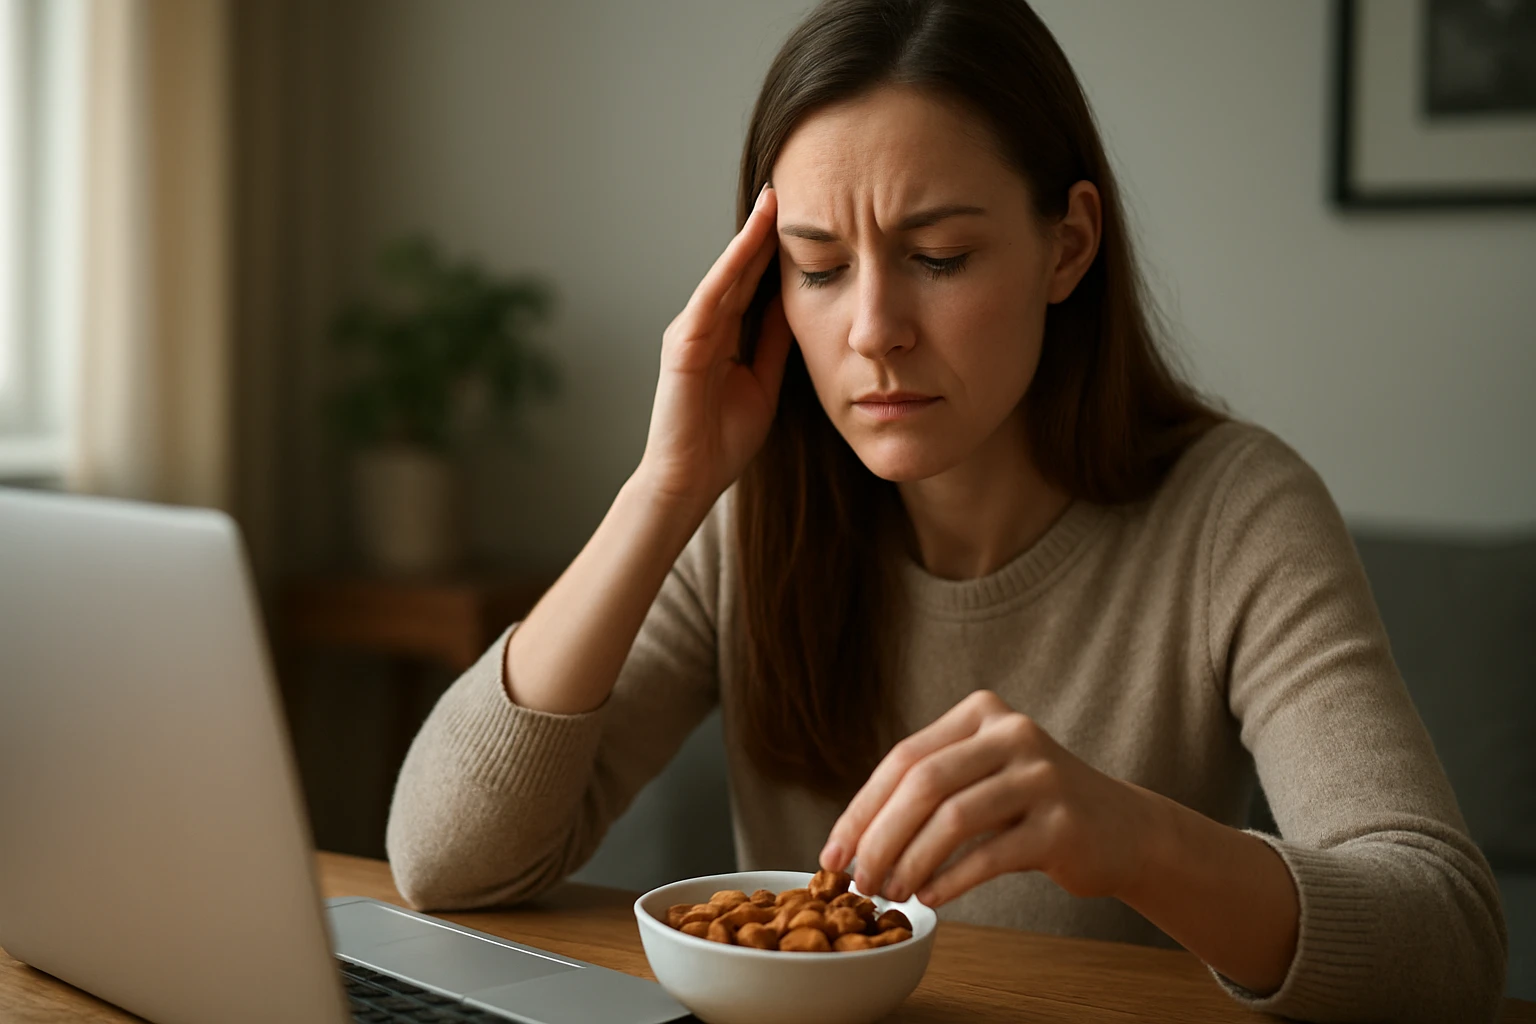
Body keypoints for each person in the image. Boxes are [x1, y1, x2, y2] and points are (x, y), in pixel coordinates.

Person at [384, 1, 1508, 1019]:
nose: (874, 328)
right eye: (816, 269)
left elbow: (1450, 942)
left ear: (1067, 243)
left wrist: (1133, 836)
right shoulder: (750, 508)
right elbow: (443, 862)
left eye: (938, 254)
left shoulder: (1235, 513)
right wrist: (663, 488)